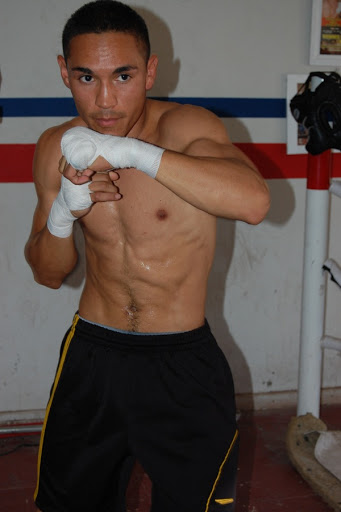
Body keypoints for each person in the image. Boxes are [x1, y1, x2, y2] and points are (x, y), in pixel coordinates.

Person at [24, 1, 270, 511]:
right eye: (87, 77)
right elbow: (48, 274)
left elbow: (253, 202)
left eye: (124, 76)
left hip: (182, 363)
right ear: (63, 72)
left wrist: (139, 156)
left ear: (151, 71)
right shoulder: (57, 147)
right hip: (92, 356)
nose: (106, 99)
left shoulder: (185, 129)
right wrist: (64, 215)